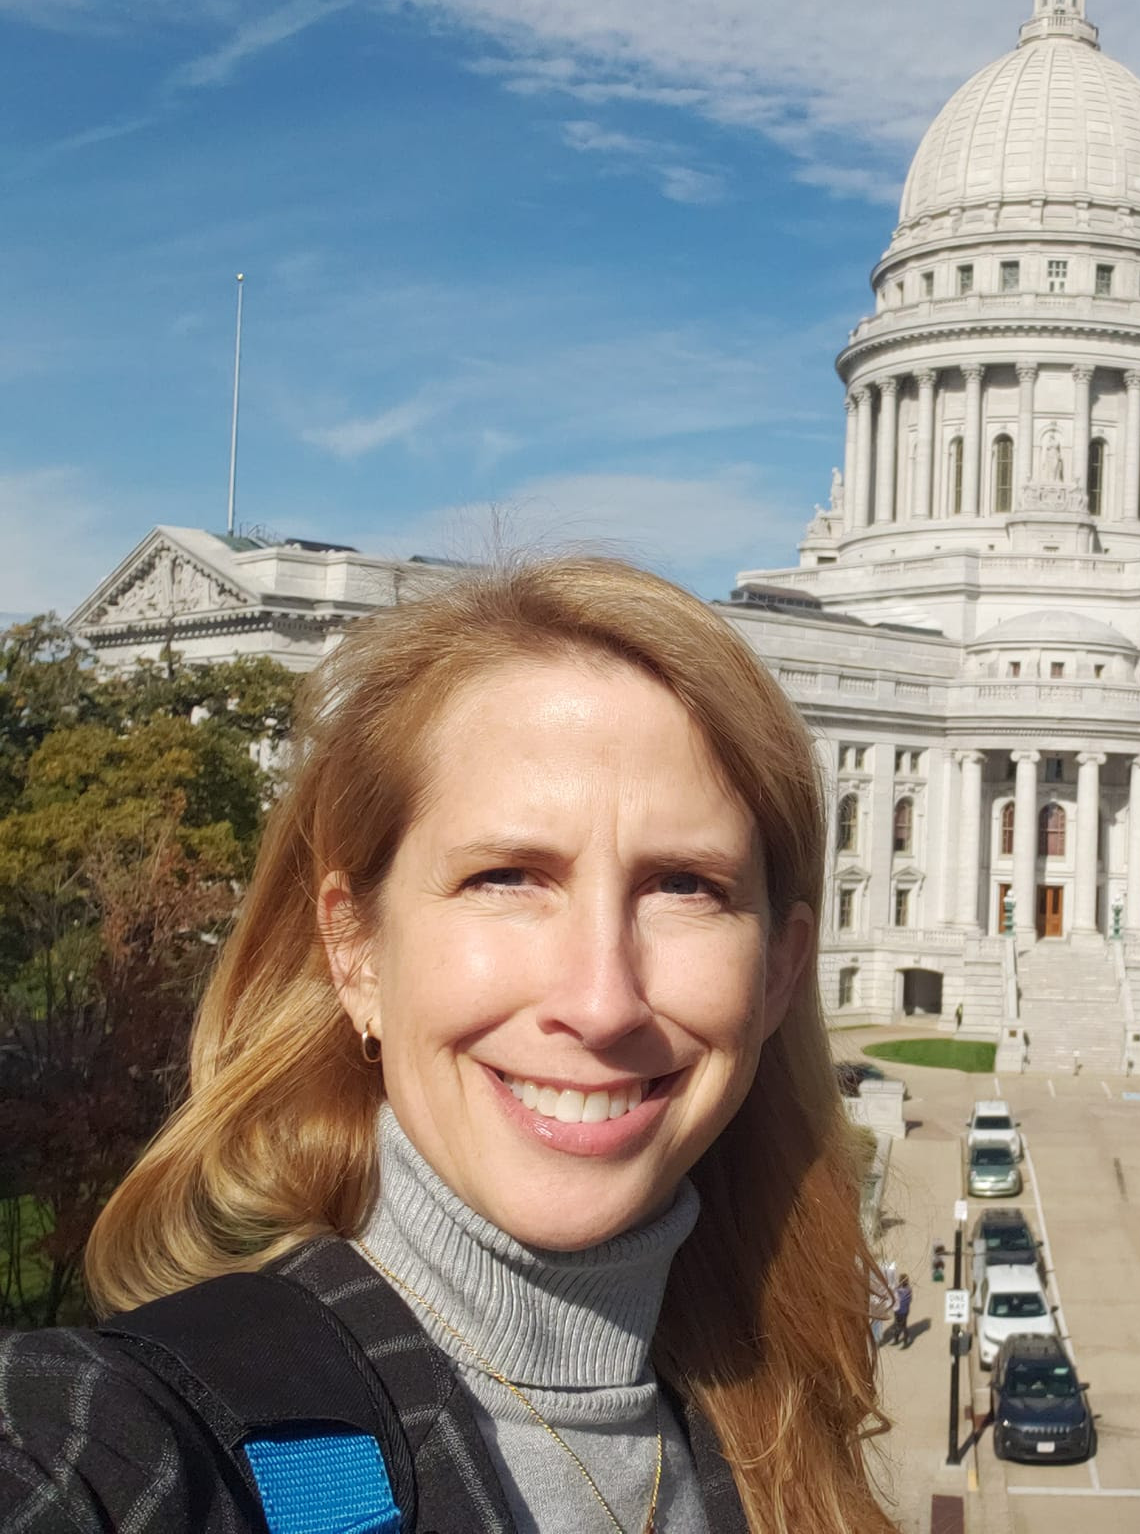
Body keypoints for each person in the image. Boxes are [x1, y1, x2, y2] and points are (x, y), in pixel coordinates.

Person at [0, 558, 894, 1532]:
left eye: (683, 884)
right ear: (356, 950)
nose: (601, 1001)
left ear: (777, 971)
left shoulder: (779, 1437)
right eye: (506, 876)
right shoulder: (124, 1443)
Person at [888, 1276, 914, 1349]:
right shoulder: (898, 1288)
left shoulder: (907, 1289)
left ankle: (906, 1342)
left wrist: (896, 1292)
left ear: (906, 1281)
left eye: (903, 1281)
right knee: (896, 1324)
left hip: (904, 1311)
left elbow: (904, 1299)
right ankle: (896, 1340)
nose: (901, 1282)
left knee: (902, 1326)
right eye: (901, 1280)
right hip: (897, 1310)